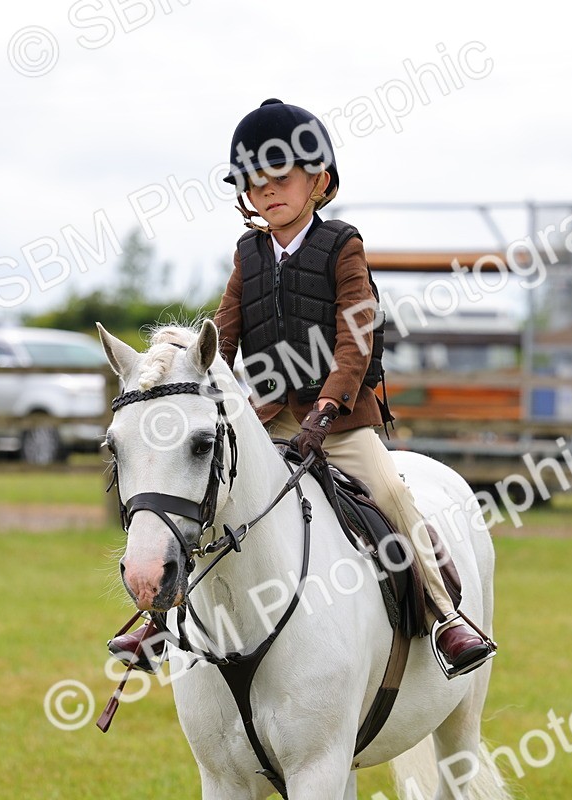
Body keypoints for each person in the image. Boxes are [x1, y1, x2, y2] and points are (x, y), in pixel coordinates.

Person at [109, 98, 494, 678]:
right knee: (206, 499)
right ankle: (159, 622)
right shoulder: (248, 255)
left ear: (319, 181)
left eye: (280, 177)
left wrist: (327, 408)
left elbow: (354, 337)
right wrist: (196, 373)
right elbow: (225, 331)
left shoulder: (343, 246)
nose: (267, 191)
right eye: (254, 182)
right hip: (266, 420)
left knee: (391, 493)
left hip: (340, 423)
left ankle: (445, 616)